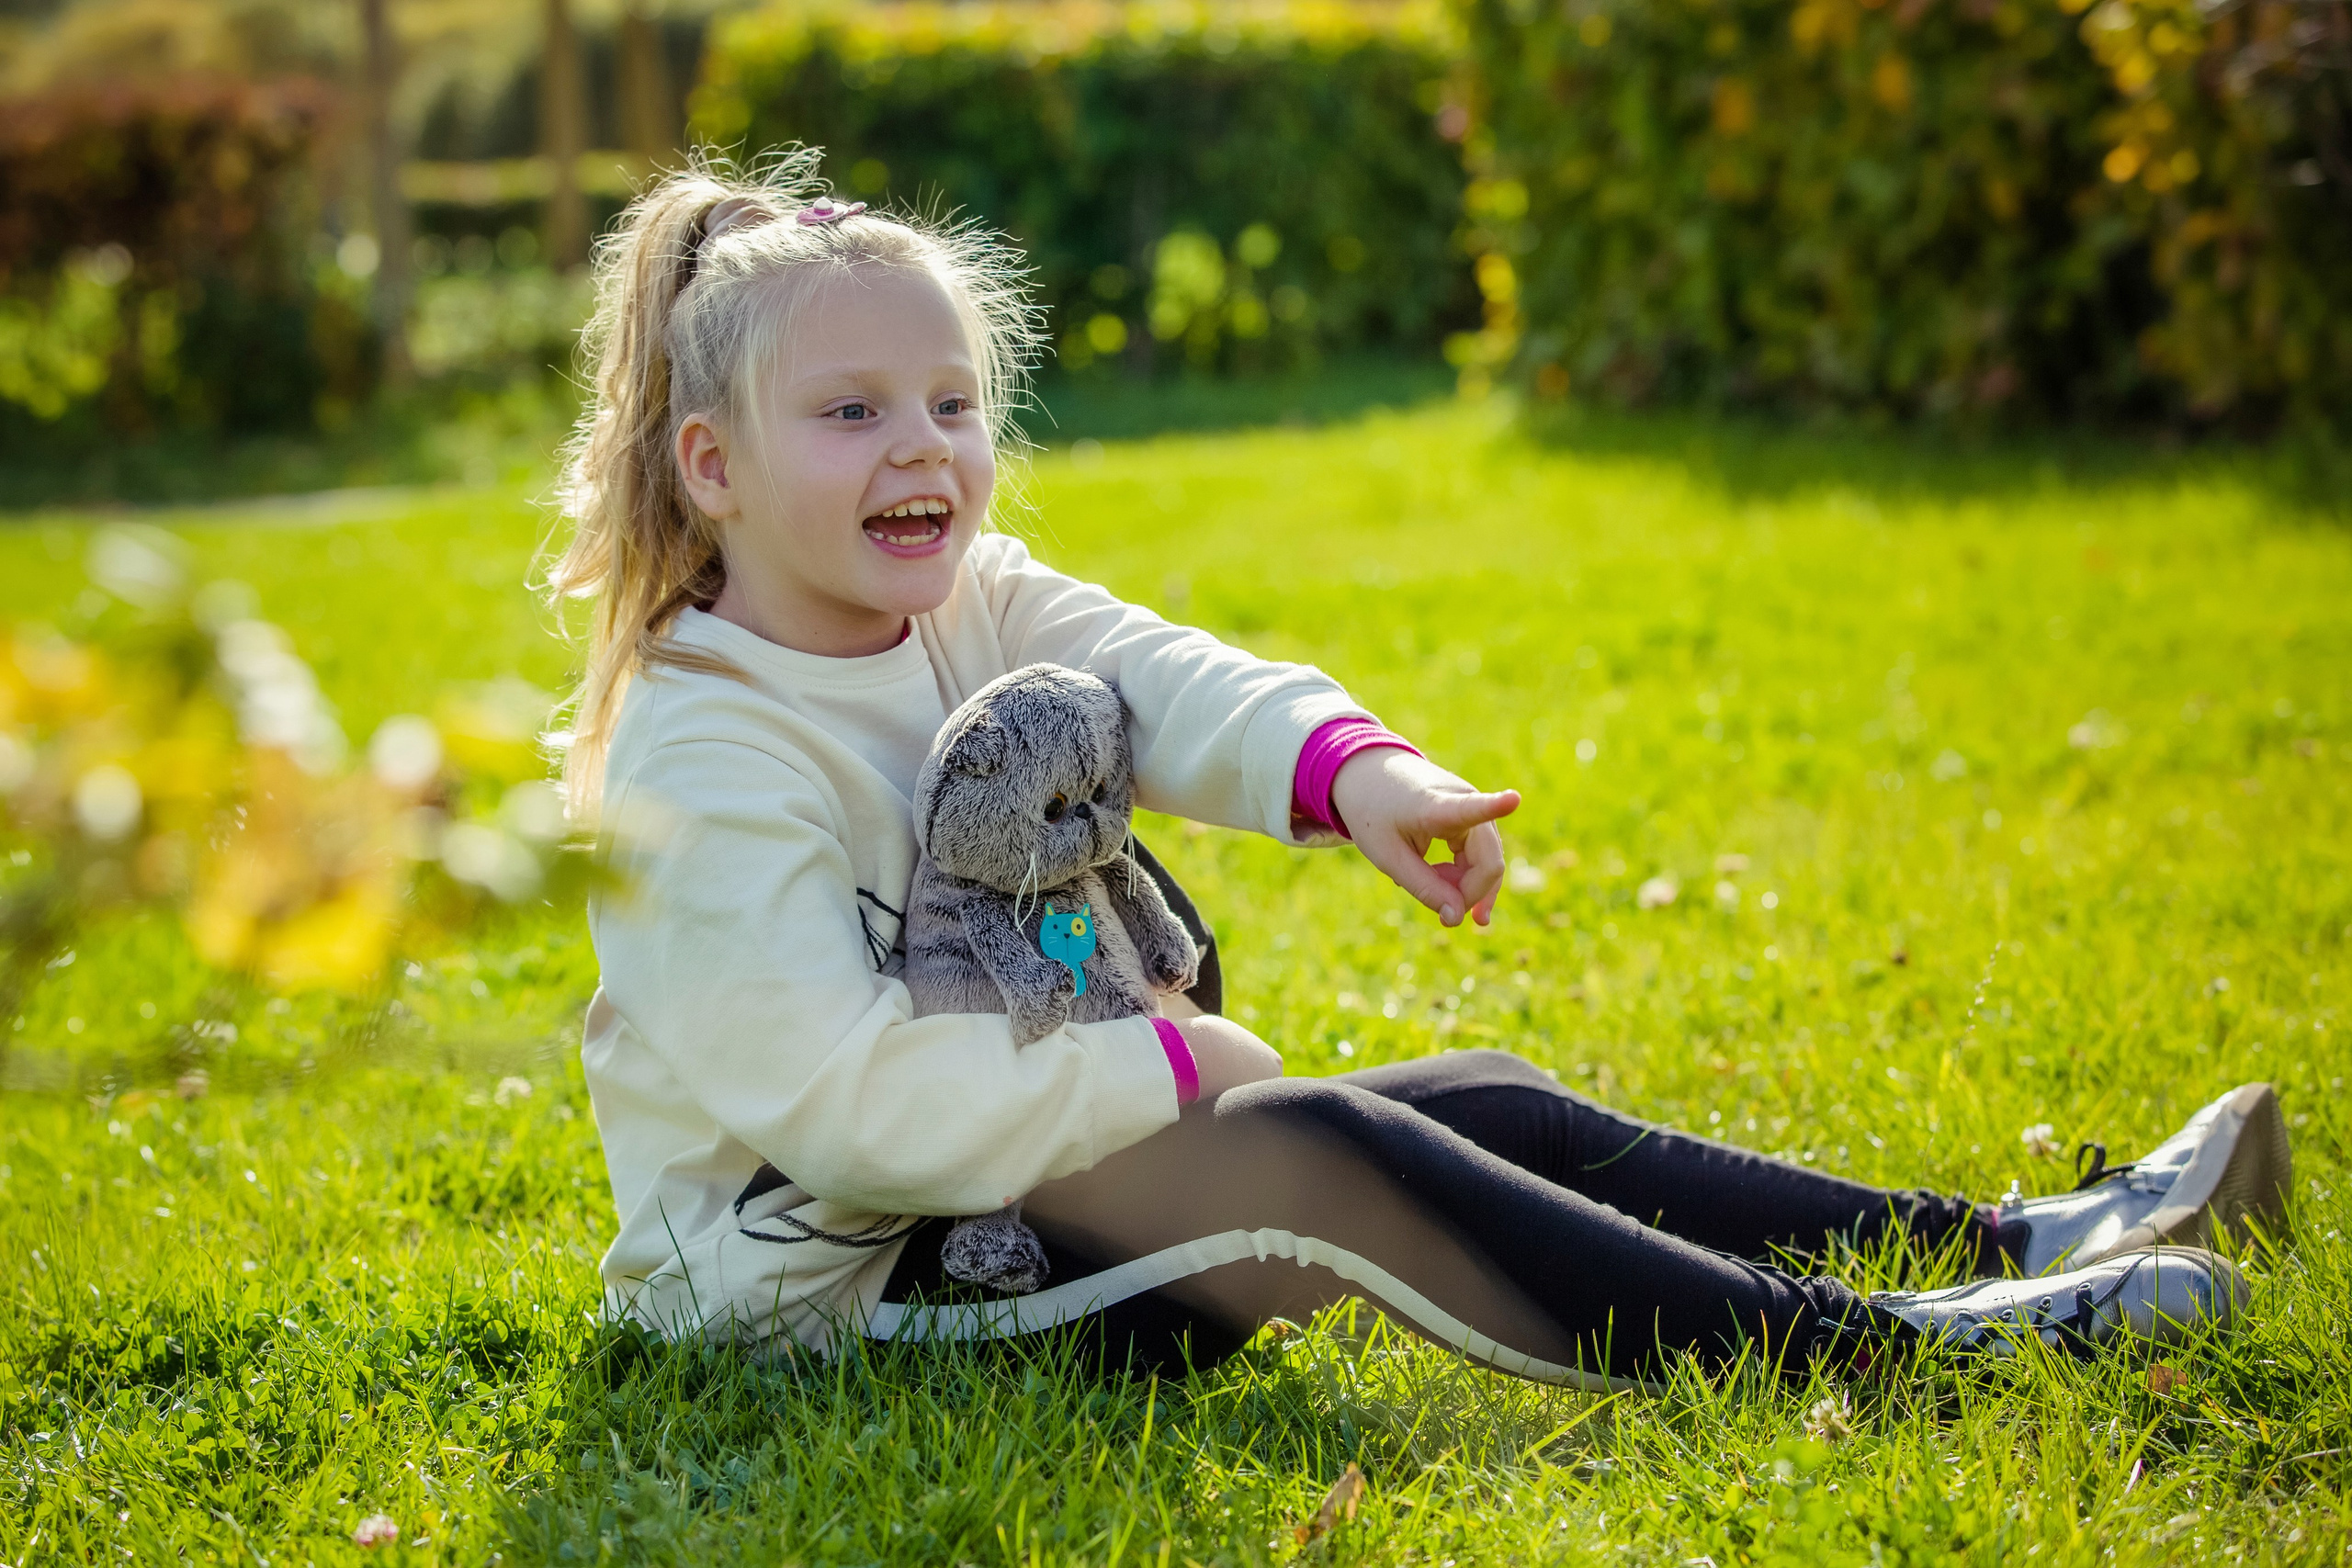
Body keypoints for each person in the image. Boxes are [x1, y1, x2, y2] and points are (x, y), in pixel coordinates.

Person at [549, 153, 2286, 1391]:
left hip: (1005, 1188)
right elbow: (845, 1110)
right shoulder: (701, 758)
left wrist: (1353, 773)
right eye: (851, 413)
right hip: (830, 1286)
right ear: (710, 465)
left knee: (1485, 1097)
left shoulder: (965, 603)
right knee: (1320, 1157)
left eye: (949, 402)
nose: (922, 446)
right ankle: (1889, 1356)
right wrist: (1163, 1070)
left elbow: (1163, 678)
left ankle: (2022, 1238)